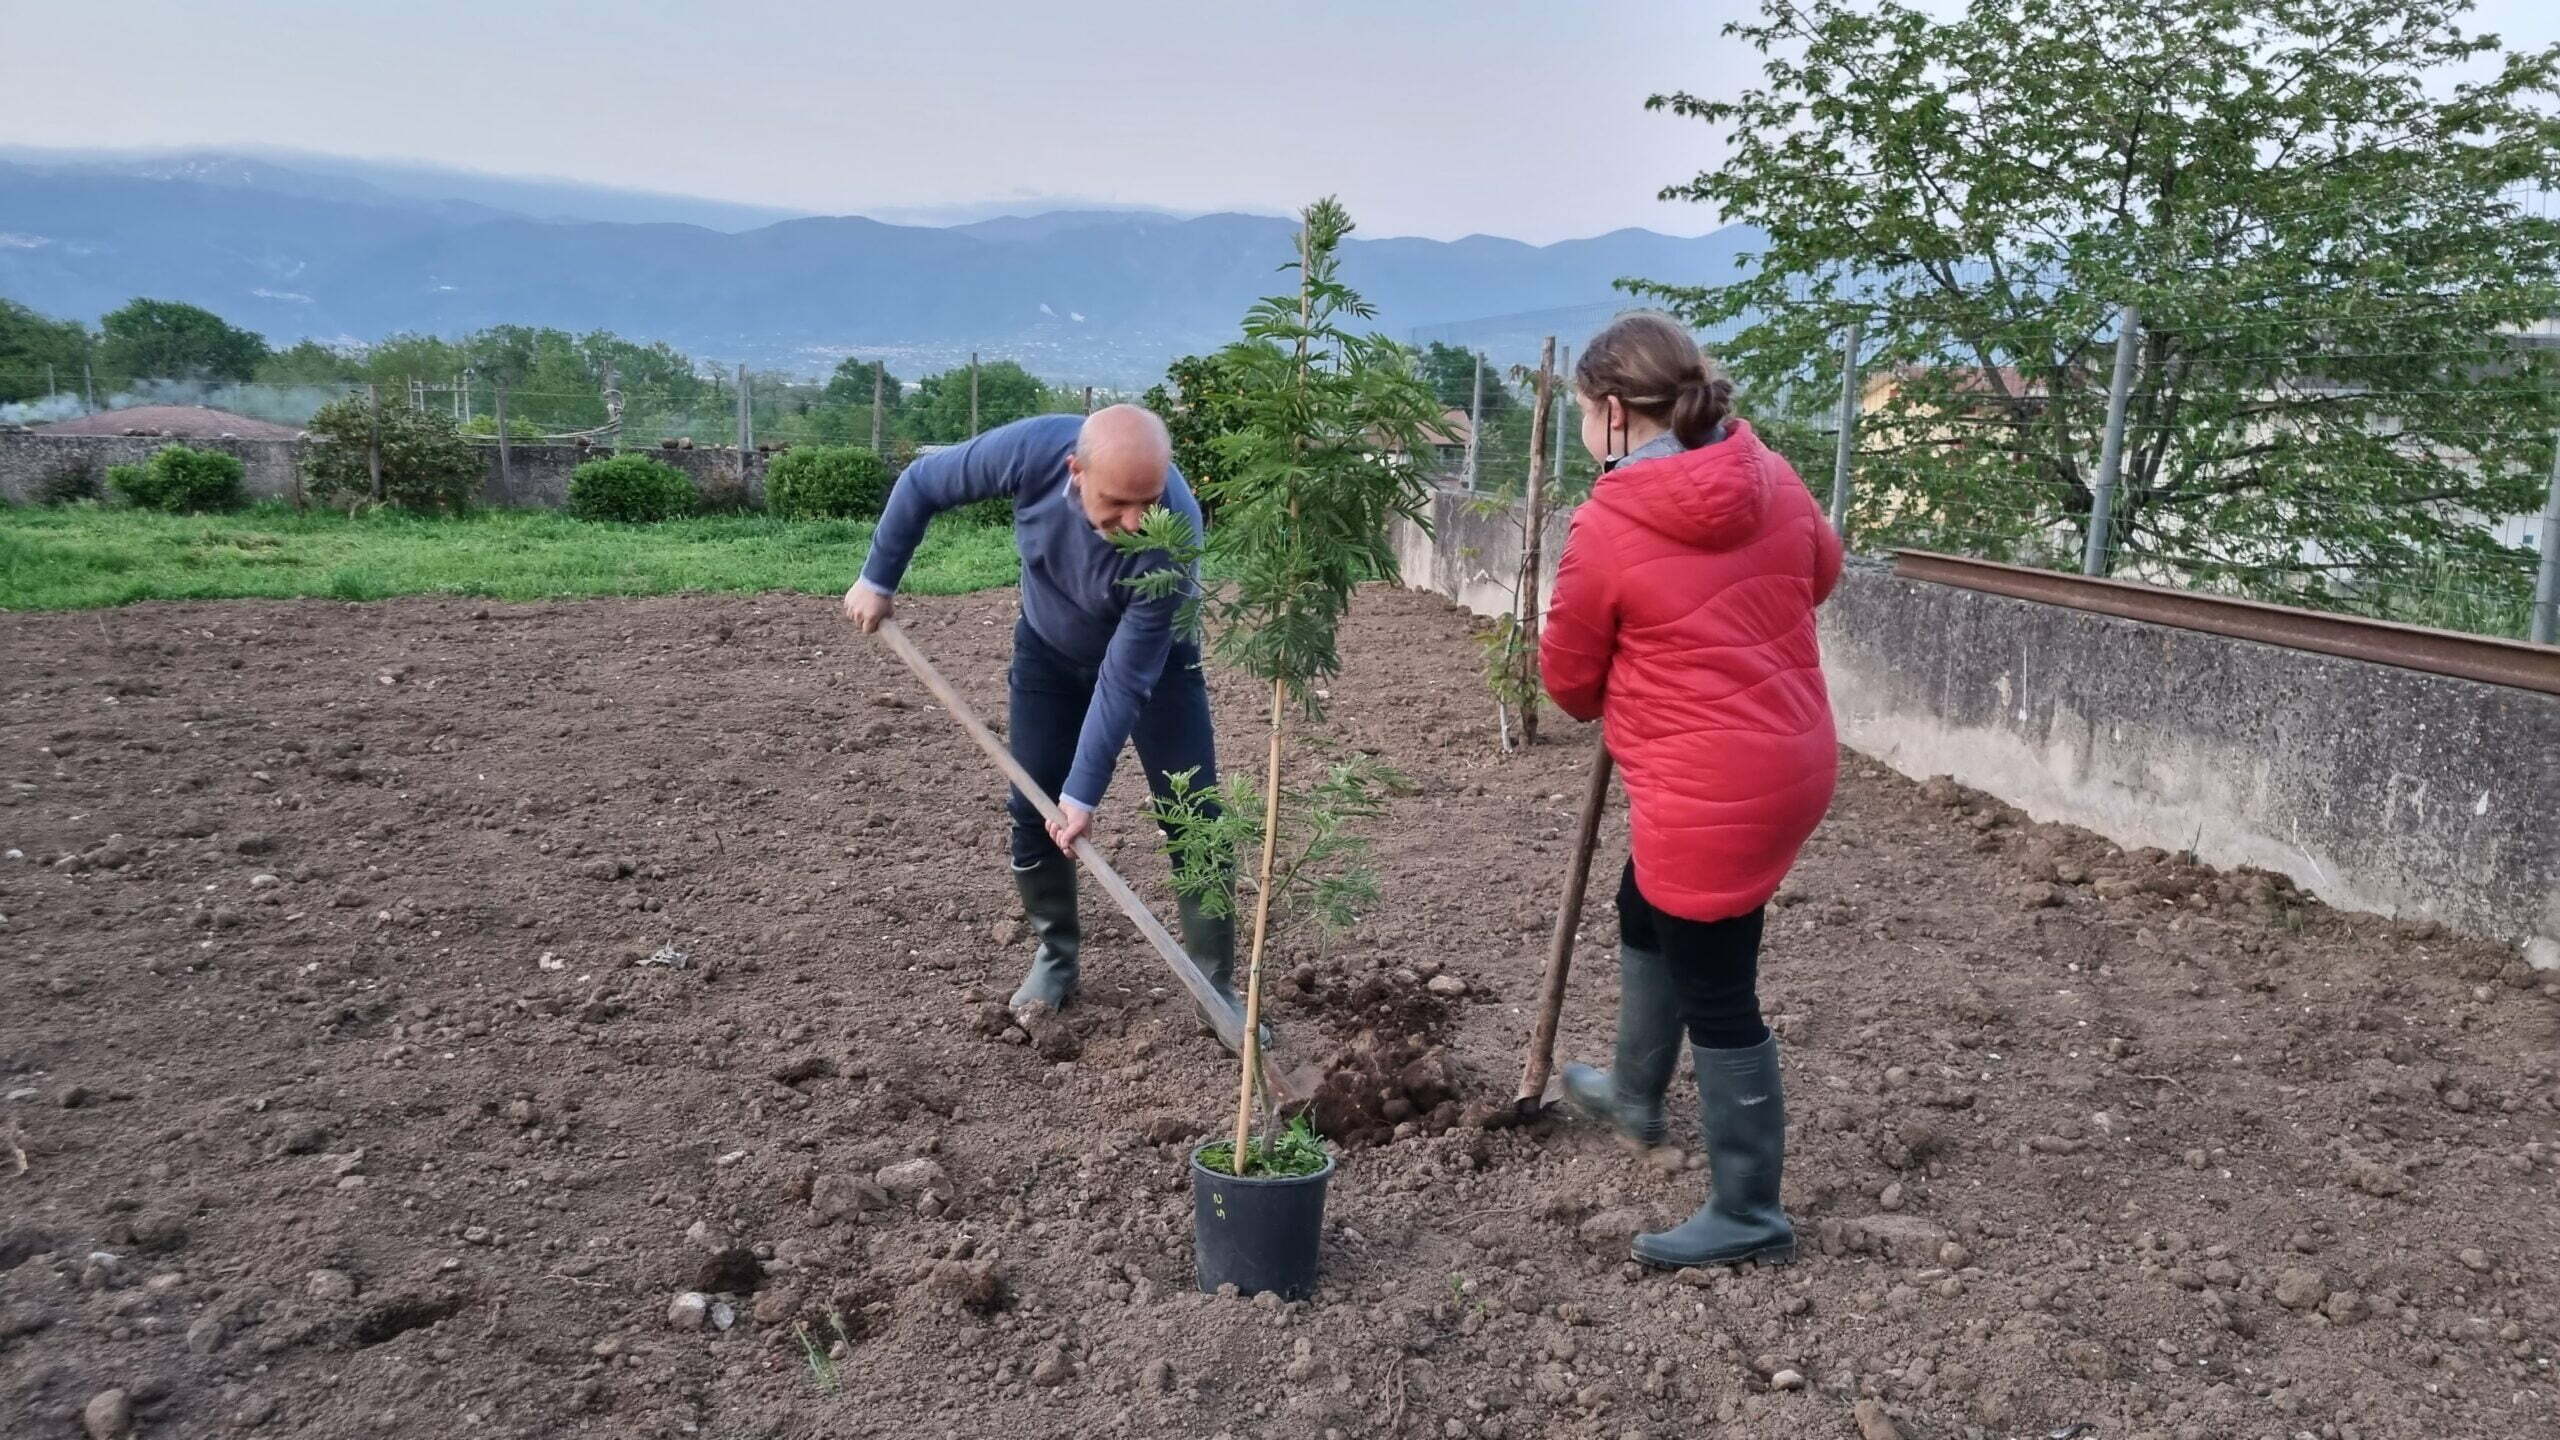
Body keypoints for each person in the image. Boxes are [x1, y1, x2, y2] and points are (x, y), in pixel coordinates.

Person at [1540, 312, 1843, 1270]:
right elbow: (1820, 574)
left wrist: (1646, 658)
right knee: (1646, 903)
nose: (1584, 431)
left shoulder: (1611, 521)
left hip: (1712, 786)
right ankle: (1634, 1098)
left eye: (1585, 414)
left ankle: (1750, 1211)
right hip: (1789, 755)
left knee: (1720, 984)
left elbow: (1568, 684)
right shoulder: (1771, 472)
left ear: (1618, 416)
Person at [843, 405, 1238, 1028]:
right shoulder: (1030, 449)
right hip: (1049, 653)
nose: (1137, 524)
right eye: (1117, 503)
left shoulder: (1174, 533)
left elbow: (1126, 676)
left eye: (1150, 502)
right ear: (1074, 470)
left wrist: (1083, 794)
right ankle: (1056, 955)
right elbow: (921, 483)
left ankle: (1217, 991)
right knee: (1032, 805)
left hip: (1156, 668)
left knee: (1196, 817)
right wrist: (877, 577)